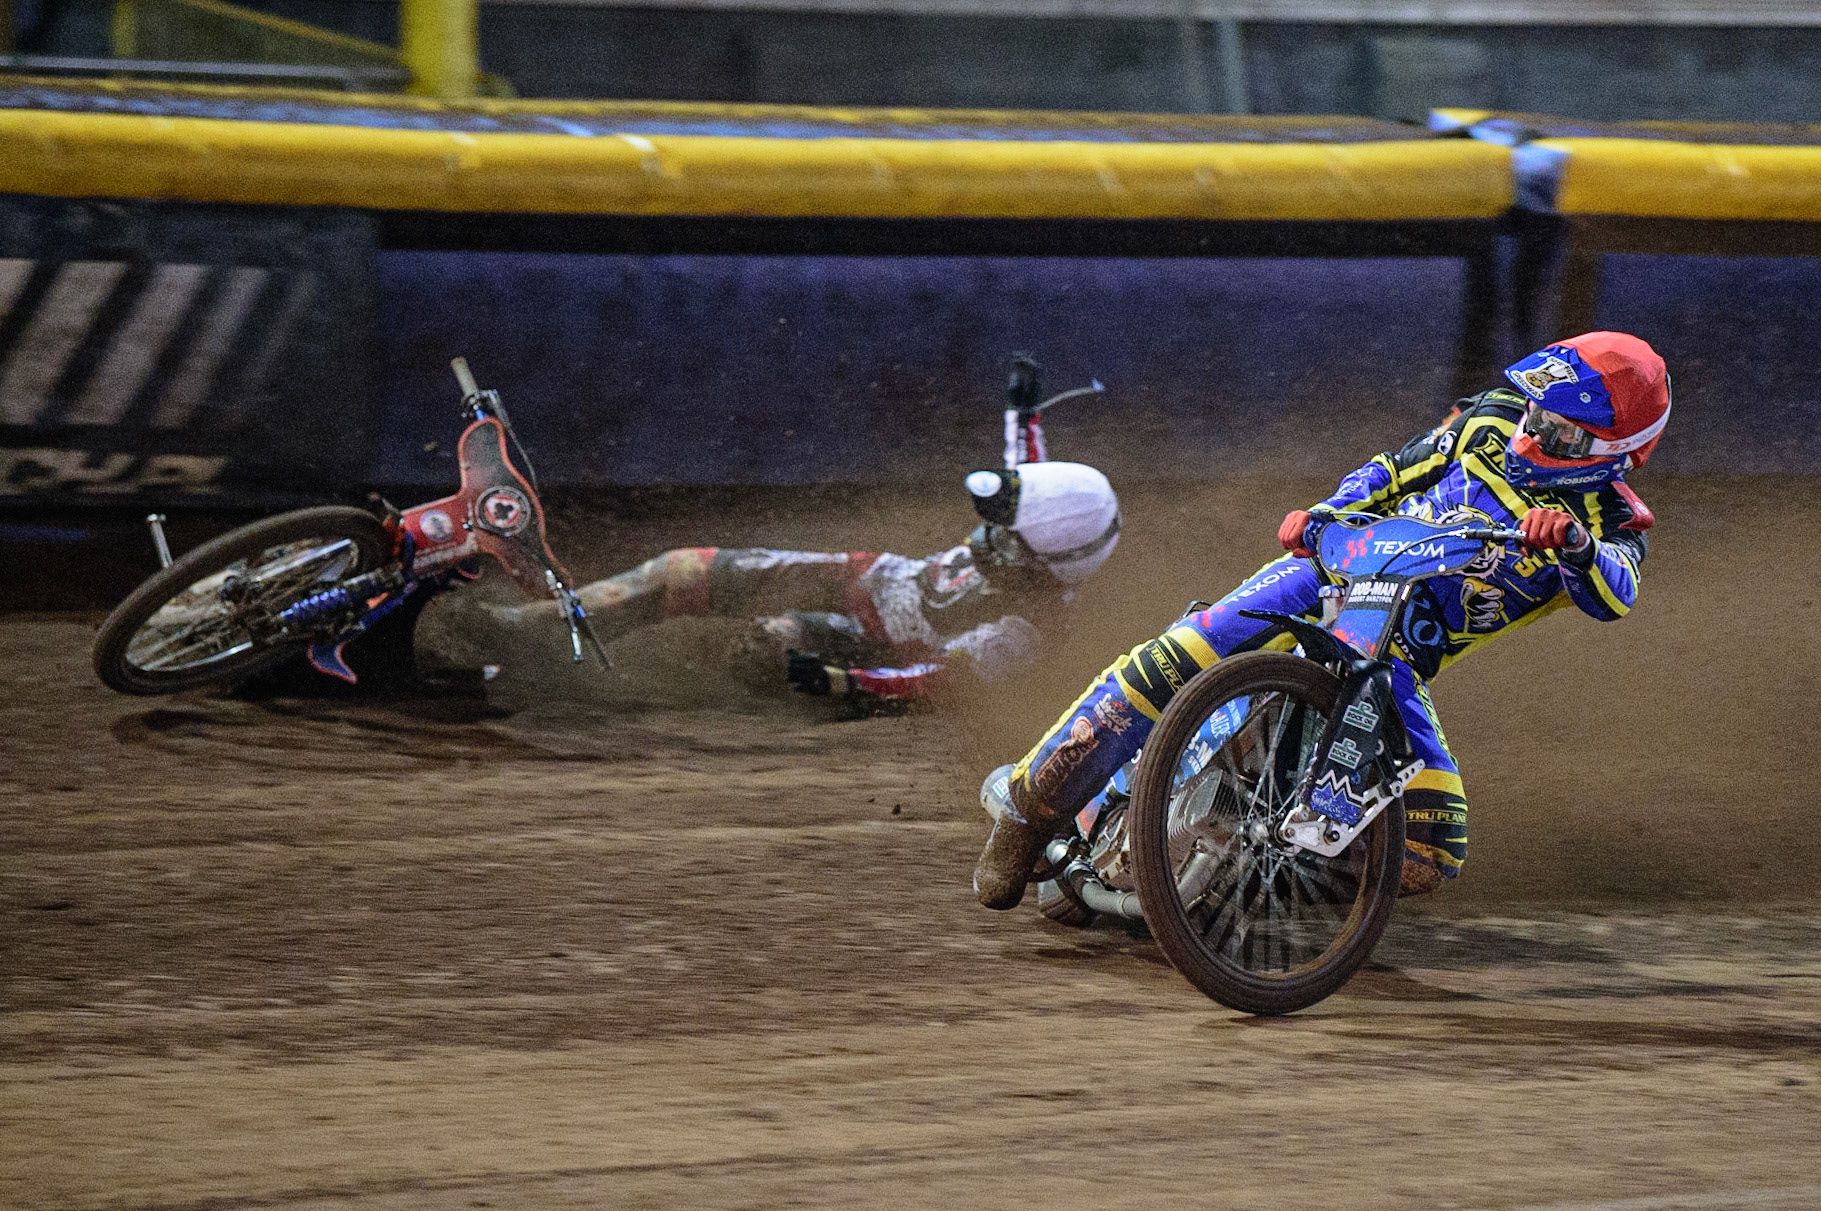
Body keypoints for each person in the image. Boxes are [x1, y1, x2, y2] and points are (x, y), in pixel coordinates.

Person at [974, 331, 1670, 908]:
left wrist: (1576, 547)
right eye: (1535, 411)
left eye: (1558, 431)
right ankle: (1028, 812)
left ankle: (1245, 885)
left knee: (1432, 847)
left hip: (1392, 662)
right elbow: (1390, 470)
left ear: (1612, 455)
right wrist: (1327, 513)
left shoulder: (1610, 524)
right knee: (1188, 647)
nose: (1533, 431)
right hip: (1334, 573)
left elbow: (1617, 593)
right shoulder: (1487, 420)